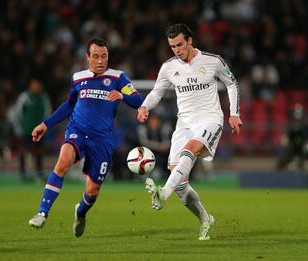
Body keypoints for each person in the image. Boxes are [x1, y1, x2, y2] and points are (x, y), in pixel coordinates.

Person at [28, 38, 143, 237]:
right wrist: (45, 124)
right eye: (96, 56)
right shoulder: (78, 78)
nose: (100, 61)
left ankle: (80, 213)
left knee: (92, 191)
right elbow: (69, 105)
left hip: (102, 140)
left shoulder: (118, 77)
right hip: (78, 131)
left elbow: (137, 100)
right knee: (62, 163)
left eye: (104, 56)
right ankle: (42, 213)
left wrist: (122, 96)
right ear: (87, 57)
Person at [137, 24, 242, 240]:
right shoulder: (168, 67)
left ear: (190, 41)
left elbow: (231, 84)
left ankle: (162, 193)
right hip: (184, 124)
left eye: (179, 44)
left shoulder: (213, 61)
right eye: (172, 46)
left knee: (190, 149)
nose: (176, 49)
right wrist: (145, 106)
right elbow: (157, 92)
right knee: (181, 186)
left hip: (210, 119)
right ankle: (205, 218)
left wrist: (234, 113)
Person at [10, 78, 51, 181]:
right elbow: (18, 113)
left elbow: (48, 112)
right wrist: (19, 128)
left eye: (38, 85)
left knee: (39, 152)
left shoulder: (43, 97)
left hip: (39, 131)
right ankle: (22, 173)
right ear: (30, 86)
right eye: (34, 85)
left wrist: (45, 126)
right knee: (23, 152)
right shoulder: (25, 97)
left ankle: (39, 173)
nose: (36, 87)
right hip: (26, 130)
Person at [276, 103, 308, 172]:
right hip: (292, 149)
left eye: (300, 119)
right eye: (296, 119)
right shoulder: (289, 129)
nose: (298, 122)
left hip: (305, 149)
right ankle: (278, 176)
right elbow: (285, 139)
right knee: (281, 159)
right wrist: (287, 142)